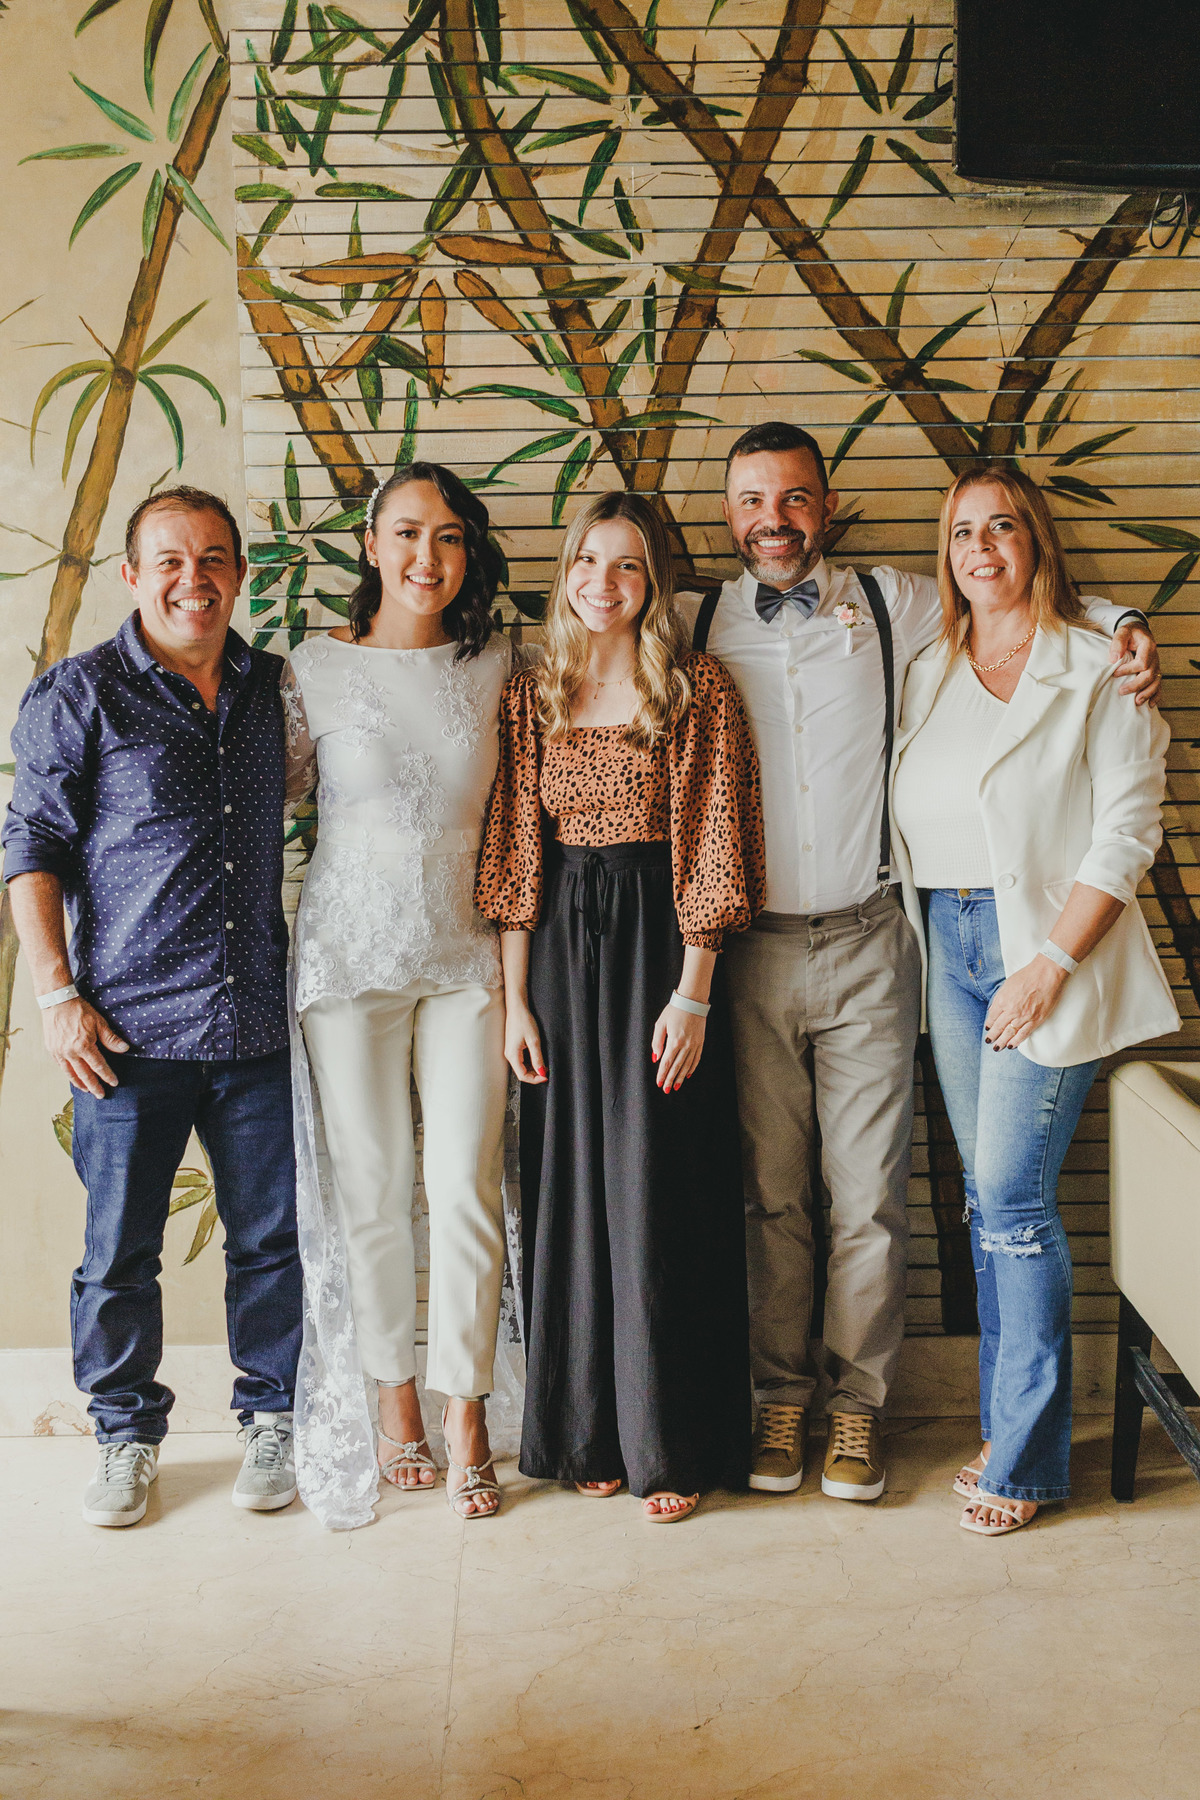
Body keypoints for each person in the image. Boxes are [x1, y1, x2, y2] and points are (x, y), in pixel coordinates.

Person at [676, 421, 1162, 1504]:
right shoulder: (694, 619)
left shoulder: (895, 607)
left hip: (878, 943)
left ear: (827, 504)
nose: (773, 520)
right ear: (729, 514)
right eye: (752, 500)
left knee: (881, 1198)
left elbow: (1044, 616)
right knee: (772, 1198)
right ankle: (782, 1398)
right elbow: (594, 621)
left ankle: (861, 1409)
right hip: (756, 951)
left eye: (794, 497)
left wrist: (1127, 623)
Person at [2, 486, 302, 1527]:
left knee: (272, 1242)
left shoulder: (274, 688)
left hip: (256, 1022)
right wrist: (55, 994)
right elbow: (30, 847)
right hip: (125, 1032)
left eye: (214, 558)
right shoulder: (78, 694)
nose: (193, 579)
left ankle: (273, 1416)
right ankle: (124, 1433)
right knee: (119, 1254)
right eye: (169, 560)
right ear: (131, 575)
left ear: (240, 573)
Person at [890, 466, 1178, 1535]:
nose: (981, 548)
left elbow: (1129, 831)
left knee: (1012, 1199)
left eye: (1002, 526)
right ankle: (1006, 1430)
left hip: (1049, 953)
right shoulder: (927, 666)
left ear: (1036, 540)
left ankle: (1024, 1464)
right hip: (947, 948)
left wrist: (1050, 964)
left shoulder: (1098, 663)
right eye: (962, 531)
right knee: (985, 1201)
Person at [475, 491, 765, 1523]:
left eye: (628, 564)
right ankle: (586, 1430)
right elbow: (516, 847)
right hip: (559, 953)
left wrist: (693, 993)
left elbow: (717, 835)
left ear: (656, 581)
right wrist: (516, 1002)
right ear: (566, 574)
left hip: (660, 949)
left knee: (658, 1183)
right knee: (571, 1186)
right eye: (588, 562)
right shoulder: (533, 693)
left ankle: (671, 1440)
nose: (604, 583)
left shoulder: (695, 687)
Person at [284, 463, 512, 1529]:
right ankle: (394, 1399)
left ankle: (467, 1411)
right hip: (347, 959)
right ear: (372, 545)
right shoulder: (311, 668)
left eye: (450, 536)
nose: (429, 556)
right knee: (372, 1187)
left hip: (469, 960)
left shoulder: (502, 663)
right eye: (409, 533)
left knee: (465, 1185)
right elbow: (261, 791)